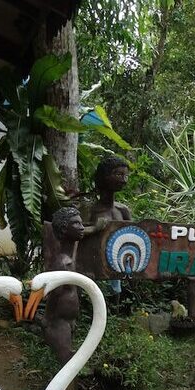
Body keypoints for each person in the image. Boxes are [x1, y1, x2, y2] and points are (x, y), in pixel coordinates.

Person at [83, 154, 132, 296]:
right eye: (118, 174)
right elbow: (75, 234)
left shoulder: (123, 210)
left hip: (117, 269)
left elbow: (131, 238)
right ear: (104, 176)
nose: (123, 180)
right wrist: (94, 229)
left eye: (126, 176)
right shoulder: (90, 209)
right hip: (92, 270)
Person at [43, 206, 85, 365]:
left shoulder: (71, 255)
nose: (81, 228)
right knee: (66, 360)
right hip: (58, 322)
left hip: (68, 320)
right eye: (76, 224)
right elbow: (54, 294)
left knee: (69, 362)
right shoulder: (61, 262)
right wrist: (47, 319)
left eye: (81, 224)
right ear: (63, 228)